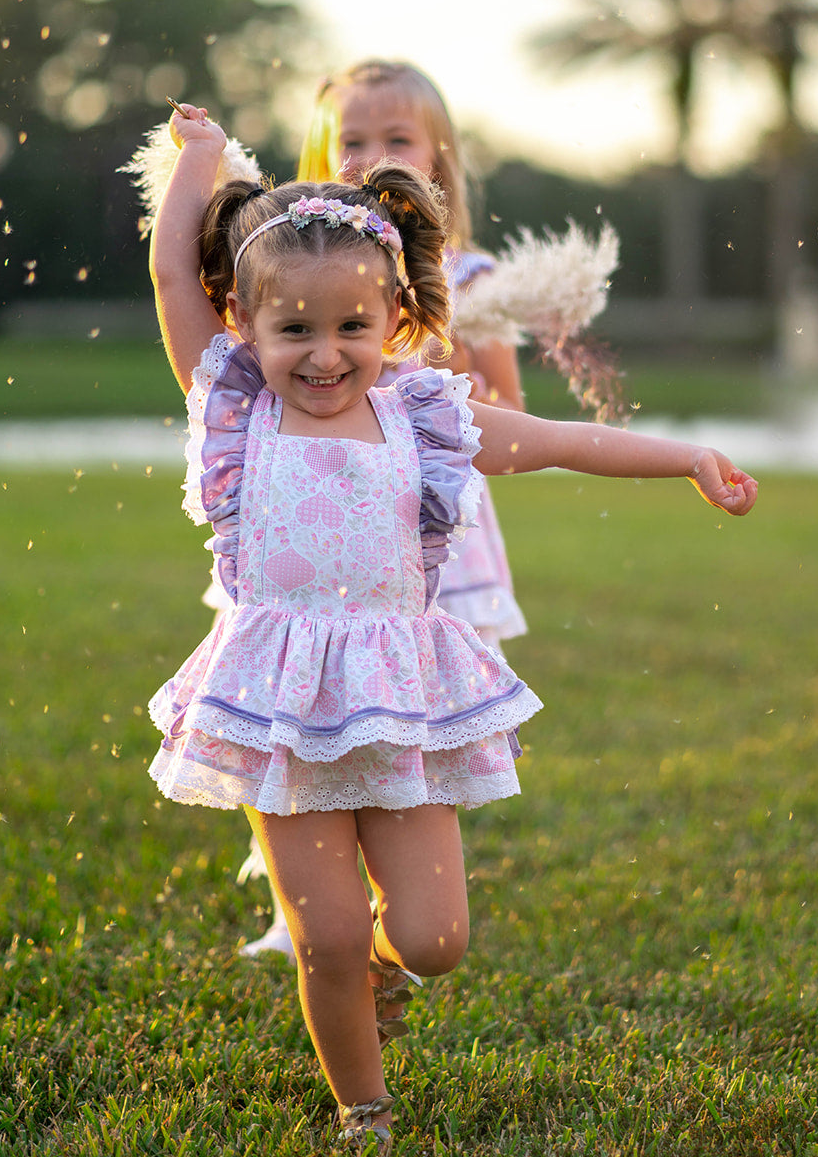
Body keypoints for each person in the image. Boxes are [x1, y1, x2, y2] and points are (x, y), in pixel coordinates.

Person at [147, 103, 757, 1147]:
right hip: (278, 701)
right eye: (293, 327)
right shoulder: (235, 409)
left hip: (405, 699)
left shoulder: (426, 414)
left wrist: (686, 457)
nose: (324, 352)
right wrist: (197, 161)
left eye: (350, 325)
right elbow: (170, 280)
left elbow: (562, 438)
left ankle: (386, 977)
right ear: (244, 324)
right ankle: (363, 1109)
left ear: (394, 317)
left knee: (430, 937)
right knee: (327, 934)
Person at [241, 60, 532, 962]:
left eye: (393, 141)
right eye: (349, 141)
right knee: (300, 704)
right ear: (320, 156)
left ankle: (394, 905)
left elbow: (512, 414)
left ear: (436, 157)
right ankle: (306, 912)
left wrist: (454, 379)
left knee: (404, 716)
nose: (369, 155)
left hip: (420, 528)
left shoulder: (473, 278)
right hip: (317, 523)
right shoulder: (300, 270)